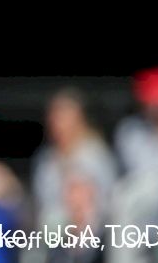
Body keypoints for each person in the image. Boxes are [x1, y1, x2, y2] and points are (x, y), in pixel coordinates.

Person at [32, 89, 117, 230]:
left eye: (62, 116)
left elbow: (109, 203)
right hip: (55, 231)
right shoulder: (45, 159)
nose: (56, 122)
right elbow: (42, 203)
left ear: (79, 118)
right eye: (53, 116)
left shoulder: (96, 154)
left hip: (94, 233)